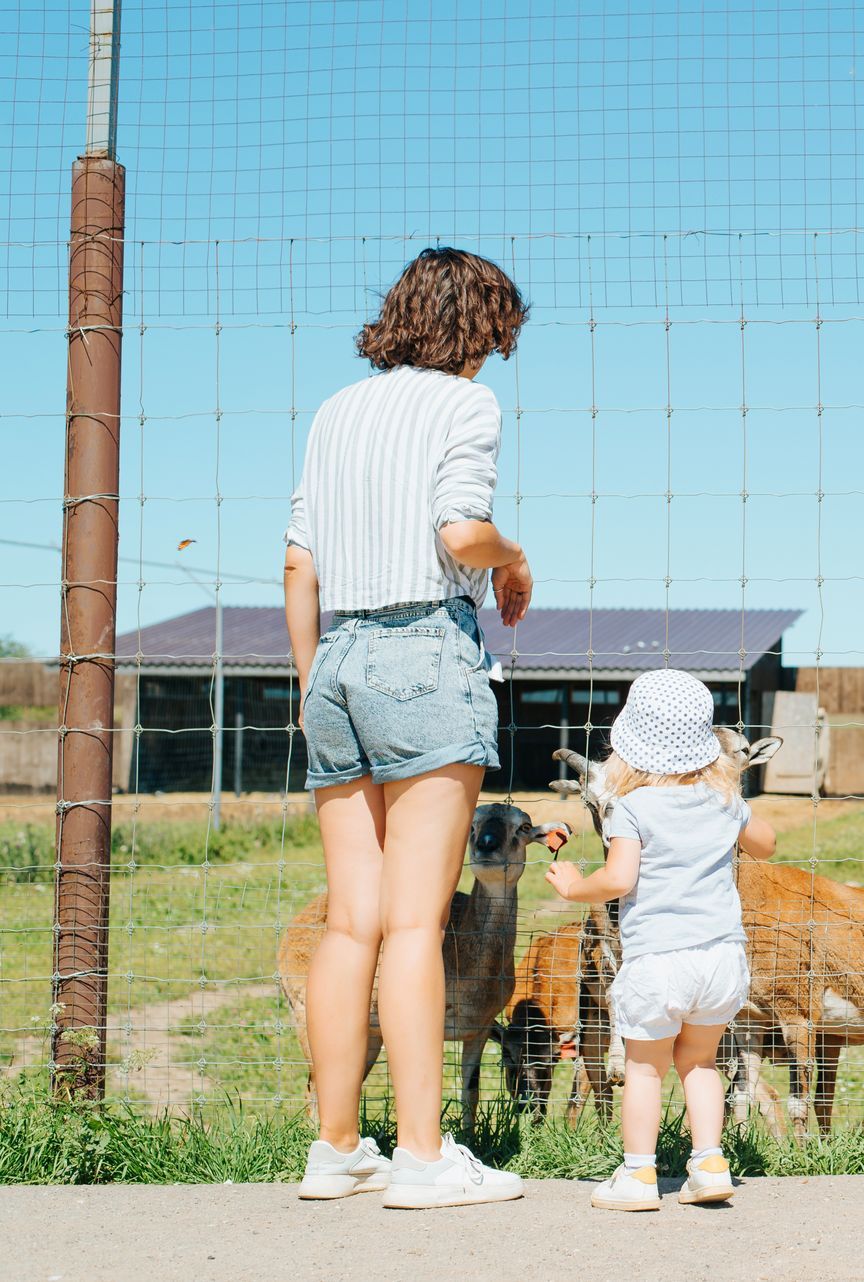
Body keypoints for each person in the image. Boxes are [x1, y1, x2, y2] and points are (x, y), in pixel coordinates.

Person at [285, 247, 535, 1209]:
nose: (494, 361)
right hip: (424, 650)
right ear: (479, 329)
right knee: (415, 923)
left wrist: (317, 686)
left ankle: (338, 1148)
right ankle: (425, 1160)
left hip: (337, 659)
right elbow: (458, 534)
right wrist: (515, 558)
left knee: (351, 921)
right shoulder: (466, 406)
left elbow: (299, 563)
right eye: (496, 339)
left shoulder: (337, 411)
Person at [546, 668, 778, 1211]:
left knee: (645, 1068)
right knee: (700, 1063)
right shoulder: (723, 801)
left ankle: (638, 1175)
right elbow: (766, 844)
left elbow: (619, 879)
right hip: (721, 959)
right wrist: (734, 804)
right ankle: (709, 1164)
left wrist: (576, 886)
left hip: (658, 962)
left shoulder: (632, 807)